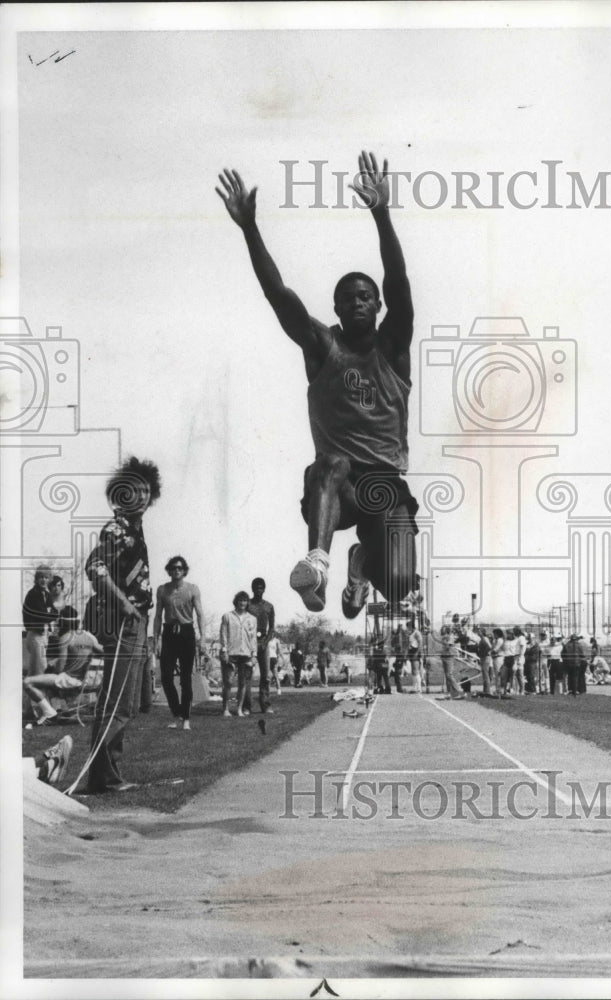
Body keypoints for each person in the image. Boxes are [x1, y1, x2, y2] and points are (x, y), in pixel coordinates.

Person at [217, 151, 418, 619]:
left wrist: (381, 212)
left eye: (365, 296)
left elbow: (400, 281)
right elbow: (279, 296)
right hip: (338, 486)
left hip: (385, 482)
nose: (358, 303)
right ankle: (319, 561)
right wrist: (250, 228)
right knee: (328, 463)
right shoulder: (323, 346)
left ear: (378, 305)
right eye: (347, 298)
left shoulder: (393, 348)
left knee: (402, 585)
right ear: (337, 307)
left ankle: (362, 562)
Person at [81, 457, 160, 794]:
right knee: (117, 702)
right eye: (133, 490)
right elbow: (94, 567)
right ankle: (103, 777)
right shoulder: (116, 529)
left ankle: (108, 775)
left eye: (146, 491)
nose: (140, 496)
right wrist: (124, 603)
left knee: (125, 703)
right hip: (122, 622)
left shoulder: (134, 530)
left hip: (136, 621)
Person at [23, 606, 104, 724]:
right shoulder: (88, 636)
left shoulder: (65, 638)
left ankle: (50, 713)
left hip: (70, 680)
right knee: (47, 678)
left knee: (28, 682)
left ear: (62, 622)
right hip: (87, 680)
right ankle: (60, 710)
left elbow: (60, 667)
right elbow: (100, 651)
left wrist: (51, 670)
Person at [153, 556, 205, 732]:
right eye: (174, 568)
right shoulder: (162, 590)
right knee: (166, 678)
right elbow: (158, 616)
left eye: (180, 568)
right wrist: (157, 639)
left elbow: (200, 614)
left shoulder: (192, 589)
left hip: (186, 633)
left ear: (184, 570)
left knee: (185, 679)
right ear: (169, 570)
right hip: (168, 633)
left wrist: (203, 639)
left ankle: (186, 718)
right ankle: (177, 714)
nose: (177, 571)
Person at [218, 591, 258, 717]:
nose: (242, 603)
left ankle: (239, 709)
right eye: (240, 600)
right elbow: (223, 634)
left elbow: (253, 638)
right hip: (231, 653)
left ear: (247, 603)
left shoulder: (252, 619)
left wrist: (254, 654)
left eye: (245, 600)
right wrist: (224, 651)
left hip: (246, 654)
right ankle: (225, 708)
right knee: (228, 682)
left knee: (243, 683)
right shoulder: (227, 616)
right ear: (236, 602)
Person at [22, 565, 57, 676]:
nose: (43, 580)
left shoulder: (47, 594)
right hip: (35, 634)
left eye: (46, 577)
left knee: (34, 669)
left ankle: (29, 689)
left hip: (44, 634)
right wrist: (49, 614)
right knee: (41, 667)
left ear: (49, 579)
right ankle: (39, 691)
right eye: (41, 577)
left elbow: (55, 612)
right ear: (36, 579)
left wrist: (50, 614)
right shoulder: (33, 594)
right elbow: (42, 615)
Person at [247, 577, 276, 713]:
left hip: (263, 642)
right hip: (249, 642)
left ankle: (265, 704)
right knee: (247, 675)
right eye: (256, 588)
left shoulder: (269, 606)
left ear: (264, 589)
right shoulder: (247, 605)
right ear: (252, 589)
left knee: (266, 675)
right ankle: (247, 706)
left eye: (261, 588)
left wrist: (265, 642)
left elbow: (272, 629)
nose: (259, 590)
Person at [389, 623, 408, 693]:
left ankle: (399, 688)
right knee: (396, 674)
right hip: (397, 660)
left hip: (399, 660)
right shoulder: (395, 638)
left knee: (397, 674)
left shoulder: (399, 637)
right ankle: (398, 688)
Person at [407, 619, 424, 694]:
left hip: (415, 652)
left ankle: (419, 688)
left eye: (408, 627)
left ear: (411, 626)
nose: (408, 628)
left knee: (416, 670)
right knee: (413, 671)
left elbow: (420, 643)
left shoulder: (417, 633)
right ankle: (414, 687)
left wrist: (417, 652)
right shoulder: (411, 633)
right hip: (411, 652)